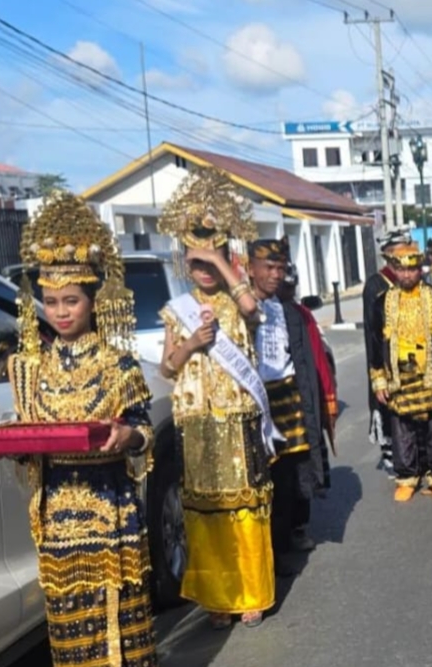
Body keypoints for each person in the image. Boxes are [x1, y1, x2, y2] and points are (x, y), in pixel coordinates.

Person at [4, 191, 158, 666]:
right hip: (58, 522)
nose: (61, 311)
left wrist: (127, 437)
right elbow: (30, 437)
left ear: (94, 300)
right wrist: (12, 444)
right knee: (72, 633)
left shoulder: (119, 364)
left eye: (71, 300)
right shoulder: (27, 369)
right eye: (50, 302)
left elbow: (142, 429)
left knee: (121, 631)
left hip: (110, 511)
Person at [157, 167, 276, 628]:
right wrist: (191, 344)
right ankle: (218, 597)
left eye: (210, 262)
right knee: (205, 507)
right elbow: (168, 366)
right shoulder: (176, 311)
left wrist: (224, 262)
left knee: (243, 503)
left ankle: (250, 592)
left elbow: (254, 311)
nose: (203, 271)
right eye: (195, 262)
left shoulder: (237, 299)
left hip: (237, 415)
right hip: (197, 420)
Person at [247, 239, 328, 569]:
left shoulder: (285, 309)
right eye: (268, 267)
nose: (276, 274)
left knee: (296, 470)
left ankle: (294, 528)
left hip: (290, 397)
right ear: (251, 268)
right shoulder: (242, 308)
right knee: (272, 475)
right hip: (260, 398)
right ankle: (273, 548)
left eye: (281, 268)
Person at [368, 243, 432, 502]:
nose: (407, 275)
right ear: (394, 269)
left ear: (420, 269)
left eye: (412, 269)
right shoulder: (382, 303)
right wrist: (379, 380)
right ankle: (407, 477)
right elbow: (375, 343)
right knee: (402, 429)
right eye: (401, 270)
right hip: (399, 374)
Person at [278, 260, 338, 494]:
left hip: (300, 395)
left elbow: (318, 360)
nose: (289, 292)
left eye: (291, 288)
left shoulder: (300, 314)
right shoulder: (260, 315)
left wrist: (325, 394)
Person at [364, 231, 410, 476]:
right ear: (388, 253)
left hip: (412, 357)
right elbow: (372, 330)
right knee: (389, 408)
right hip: (386, 354)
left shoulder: (412, 277)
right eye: (399, 251)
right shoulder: (376, 283)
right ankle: (392, 455)